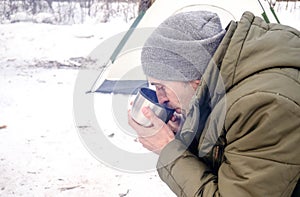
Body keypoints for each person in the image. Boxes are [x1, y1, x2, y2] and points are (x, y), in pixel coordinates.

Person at [128, 10, 300, 196]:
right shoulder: (228, 81)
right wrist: (186, 135)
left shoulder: (263, 106)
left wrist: (168, 150)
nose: (161, 100)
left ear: (193, 77)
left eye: (161, 86)